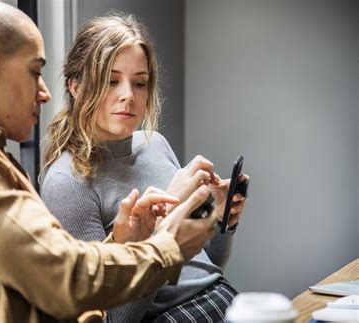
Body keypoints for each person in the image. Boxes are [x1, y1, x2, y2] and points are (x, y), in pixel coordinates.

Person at [0, 1, 222, 322]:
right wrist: (167, 246)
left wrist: (119, 243)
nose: (45, 92)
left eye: (139, 83)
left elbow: (39, 268)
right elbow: (63, 277)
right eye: (35, 72)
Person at [42, 14, 248, 322]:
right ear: (76, 87)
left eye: (140, 83)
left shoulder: (156, 144)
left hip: (225, 299)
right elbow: (111, 319)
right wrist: (164, 217)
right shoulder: (66, 182)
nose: (128, 95)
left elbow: (204, 269)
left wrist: (220, 220)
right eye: (111, 81)